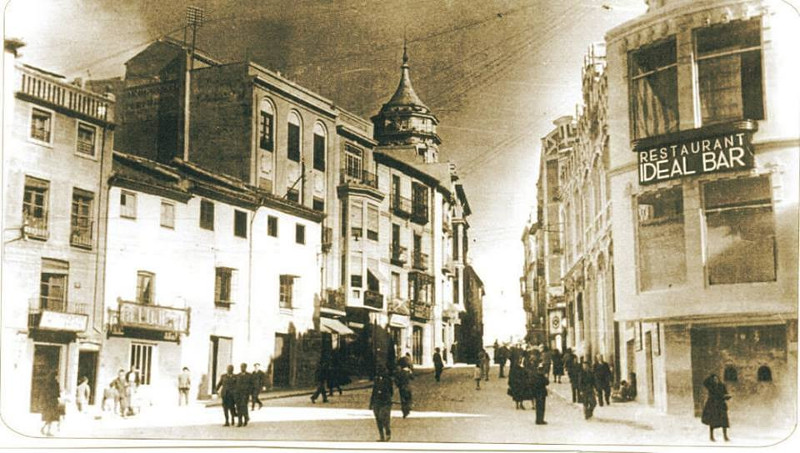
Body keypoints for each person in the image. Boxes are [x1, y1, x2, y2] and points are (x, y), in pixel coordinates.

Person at [701, 374, 731, 442]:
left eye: (716, 379)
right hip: (713, 405)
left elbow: (726, 393)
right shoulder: (710, 386)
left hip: (721, 405)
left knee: (724, 422)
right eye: (714, 379)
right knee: (712, 422)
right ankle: (711, 437)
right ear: (712, 380)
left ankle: (725, 437)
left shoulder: (722, 386)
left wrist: (727, 397)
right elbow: (705, 382)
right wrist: (711, 376)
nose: (716, 380)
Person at [369, 365, 394, 442]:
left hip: (385, 402)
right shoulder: (376, 379)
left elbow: (391, 391)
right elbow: (374, 391)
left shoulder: (388, 380)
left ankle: (387, 432)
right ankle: (382, 436)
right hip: (377, 401)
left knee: (384, 417)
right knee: (378, 419)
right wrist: (371, 403)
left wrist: (386, 396)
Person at [39, 371, 60, 436]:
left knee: (49, 417)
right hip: (52, 402)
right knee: (51, 417)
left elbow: (43, 393)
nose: (58, 377)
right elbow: (57, 394)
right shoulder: (55, 383)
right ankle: (47, 430)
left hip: (47, 403)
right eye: (57, 376)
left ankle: (44, 428)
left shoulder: (46, 383)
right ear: (55, 376)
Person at [234, 363, 251, 427]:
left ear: (245, 368)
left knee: (243, 406)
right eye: (241, 367)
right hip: (238, 394)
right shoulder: (237, 376)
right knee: (238, 407)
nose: (242, 368)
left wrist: (250, 393)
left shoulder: (249, 375)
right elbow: (235, 384)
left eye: (243, 367)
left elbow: (251, 385)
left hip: (245, 394)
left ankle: (245, 419)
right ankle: (240, 421)